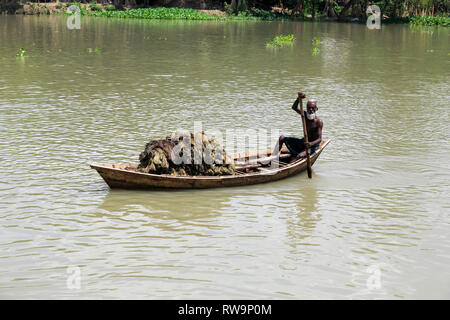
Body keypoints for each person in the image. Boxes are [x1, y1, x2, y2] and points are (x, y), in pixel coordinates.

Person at [272, 92, 323, 160]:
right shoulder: (304, 115)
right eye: (309, 108)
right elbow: (294, 107)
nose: (311, 110)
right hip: (303, 142)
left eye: (313, 108)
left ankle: (289, 166)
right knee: (282, 138)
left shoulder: (318, 122)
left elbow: (319, 139)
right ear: (306, 108)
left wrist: (310, 144)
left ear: (316, 109)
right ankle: (272, 157)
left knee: (299, 156)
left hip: (313, 146)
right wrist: (298, 99)